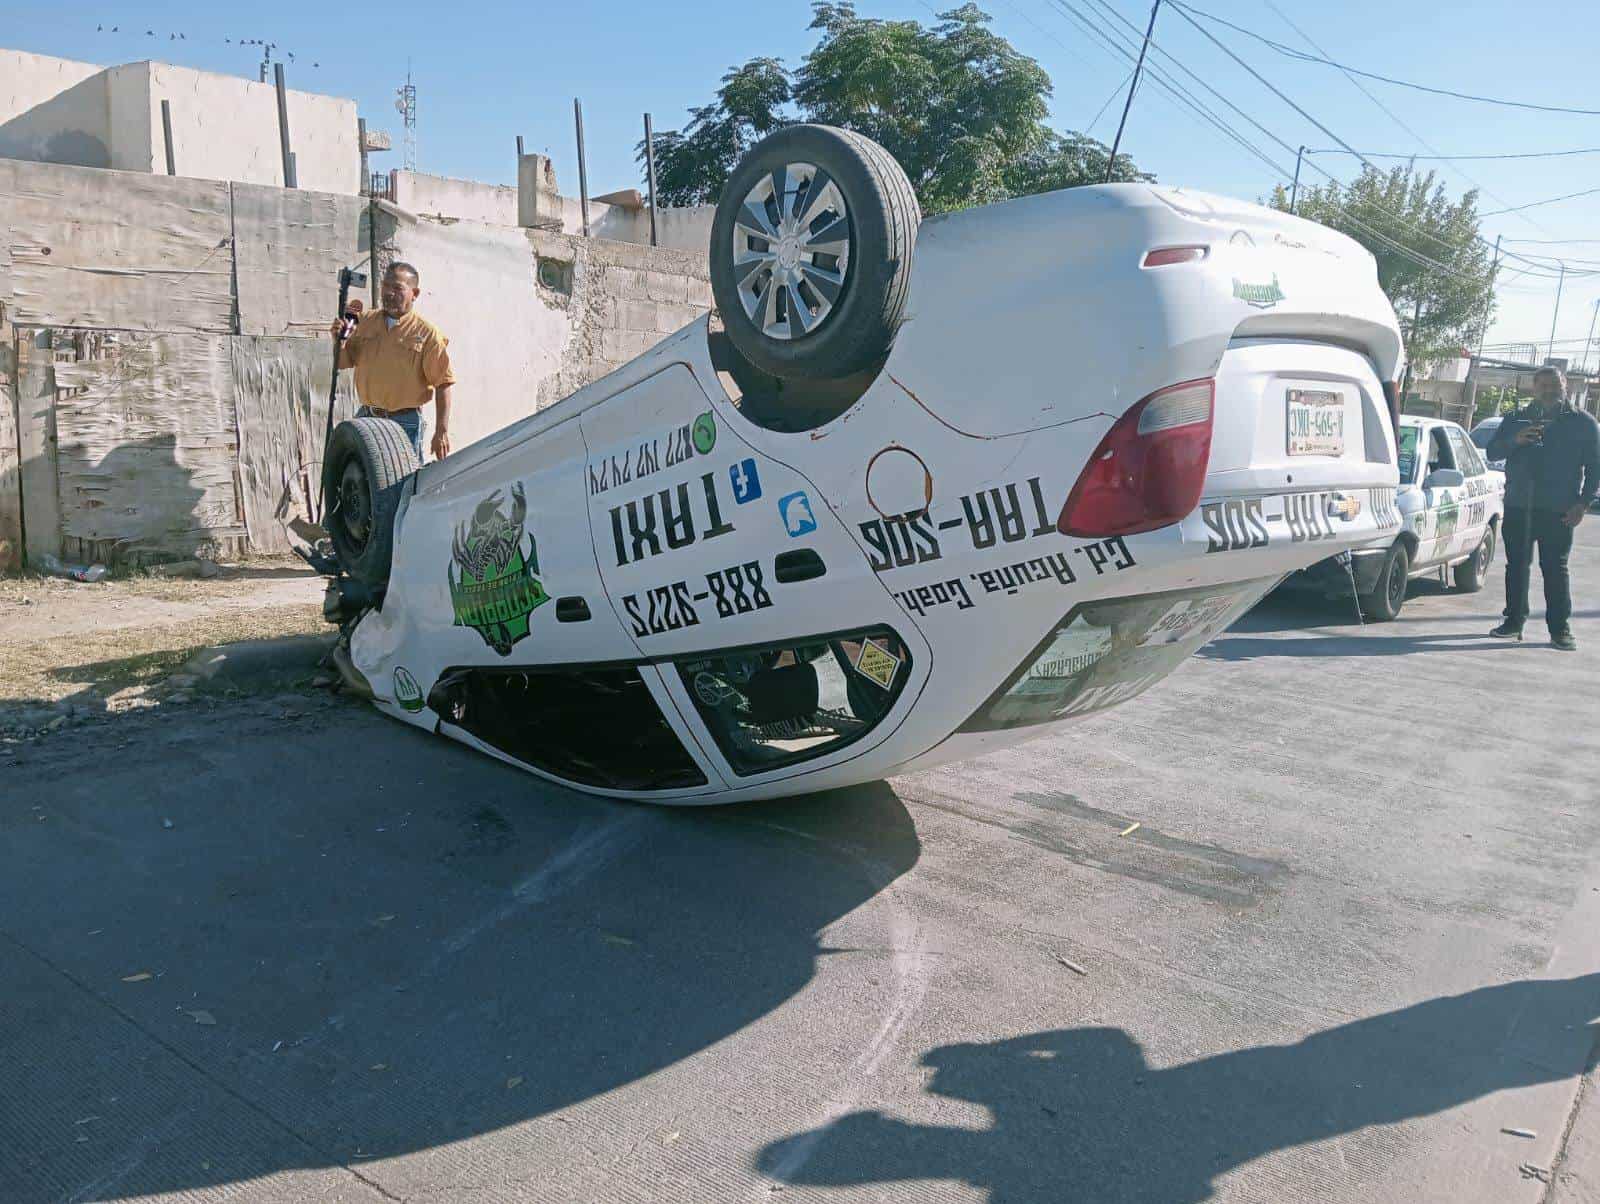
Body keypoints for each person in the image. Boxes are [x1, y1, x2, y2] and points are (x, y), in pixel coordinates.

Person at [1486, 365, 1599, 650]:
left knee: (1555, 569)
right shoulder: (1515, 418)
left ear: (1565, 387)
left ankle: (1560, 630)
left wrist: (1582, 504)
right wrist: (1516, 440)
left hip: (1559, 510)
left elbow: (1596, 468)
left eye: (1555, 385)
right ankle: (1513, 622)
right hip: (1519, 506)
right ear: (1534, 389)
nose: (1550, 390)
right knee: (1517, 567)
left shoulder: (1583, 423)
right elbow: (1493, 451)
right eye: (1543, 385)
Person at [330, 261, 455, 461]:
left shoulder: (426, 334)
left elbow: (443, 383)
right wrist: (340, 342)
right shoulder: (365, 321)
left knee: (401, 484)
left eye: (397, 288)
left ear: (415, 293)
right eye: (386, 286)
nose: (389, 293)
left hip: (404, 423)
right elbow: (344, 362)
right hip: (367, 418)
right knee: (364, 479)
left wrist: (441, 431)